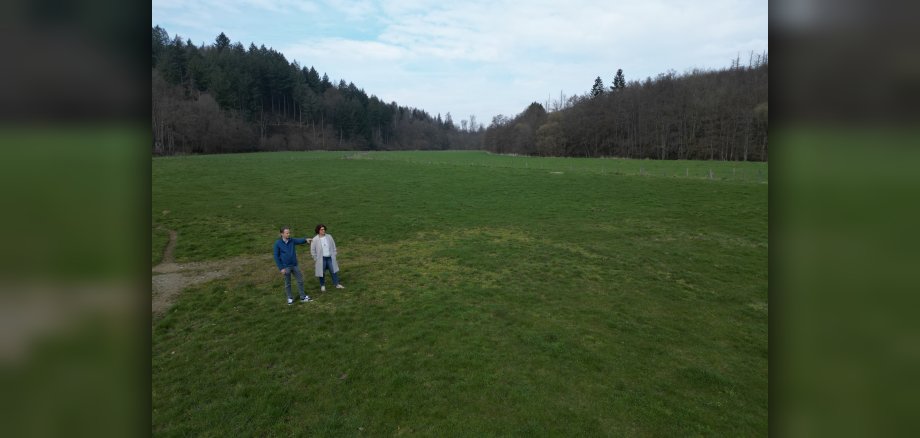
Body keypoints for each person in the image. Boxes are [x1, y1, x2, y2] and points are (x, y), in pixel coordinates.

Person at [273, 227, 313, 305]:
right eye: (287, 233)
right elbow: (276, 256)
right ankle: (290, 298)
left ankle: (303, 297)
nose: (289, 234)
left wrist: (306, 239)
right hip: (286, 267)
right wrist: (281, 268)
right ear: (282, 234)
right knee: (288, 283)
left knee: (300, 280)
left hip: (294, 265)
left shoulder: (291, 240)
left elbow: (299, 240)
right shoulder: (278, 243)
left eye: (289, 233)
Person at [310, 224, 344, 292]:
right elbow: (312, 250)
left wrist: (334, 253)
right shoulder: (315, 239)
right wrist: (316, 258)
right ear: (318, 230)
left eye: (324, 229)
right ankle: (322, 285)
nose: (323, 230)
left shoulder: (329, 236)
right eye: (321, 229)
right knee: (322, 272)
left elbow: (333, 245)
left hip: (330, 257)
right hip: (321, 259)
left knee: (333, 271)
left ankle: (336, 284)